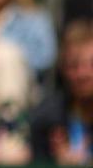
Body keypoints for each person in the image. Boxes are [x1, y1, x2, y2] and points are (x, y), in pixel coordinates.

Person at [27, 20, 93, 164]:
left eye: (92, 65)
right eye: (73, 65)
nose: (83, 74)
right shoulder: (45, 119)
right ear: (63, 69)